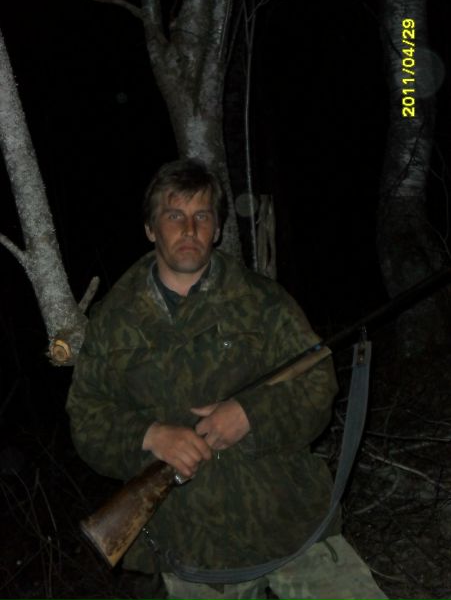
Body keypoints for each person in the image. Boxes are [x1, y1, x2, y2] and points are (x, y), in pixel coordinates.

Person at [67, 159, 388, 600]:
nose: (190, 229)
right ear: (150, 229)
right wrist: (150, 436)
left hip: (291, 522)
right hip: (191, 546)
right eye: (174, 215)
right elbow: (86, 418)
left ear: (217, 229)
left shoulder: (264, 302)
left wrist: (250, 415)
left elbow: (318, 385)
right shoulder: (112, 322)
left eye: (202, 216)